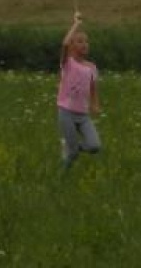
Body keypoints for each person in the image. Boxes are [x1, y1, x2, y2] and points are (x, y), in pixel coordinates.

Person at [57, 11, 101, 171]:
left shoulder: (91, 67)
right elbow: (64, 44)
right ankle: (62, 177)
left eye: (86, 42)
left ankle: (70, 147)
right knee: (73, 154)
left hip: (83, 115)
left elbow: (93, 88)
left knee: (95, 146)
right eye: (80, 41)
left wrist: (95, 104)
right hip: (66, 112)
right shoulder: (68, 63)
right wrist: (76, 23)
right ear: (73, 46)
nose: (84, 44)